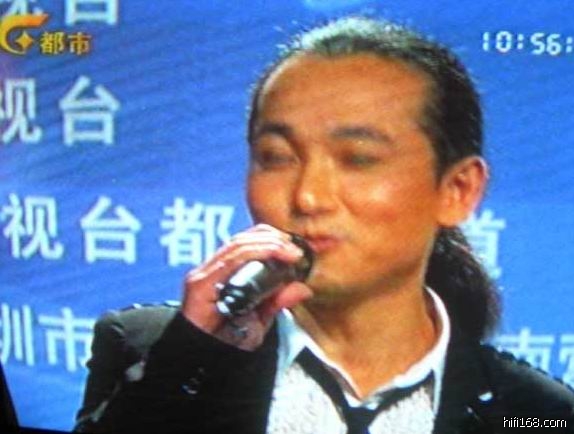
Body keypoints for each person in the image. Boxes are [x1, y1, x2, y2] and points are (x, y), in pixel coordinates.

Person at [74, 17, 574, 433]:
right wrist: (187, 360)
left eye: (358, 159)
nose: (307, 197)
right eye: (276, 157)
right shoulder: (152, 354)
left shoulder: (534, 412)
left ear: (458, 190)